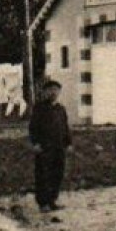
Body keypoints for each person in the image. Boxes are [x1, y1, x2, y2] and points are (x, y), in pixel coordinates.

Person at [28, 78, 72, 212]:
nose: (53, 93)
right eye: (50, 90)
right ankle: (43, 203)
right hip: (44, 148)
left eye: (56, 90)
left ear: (59, 92)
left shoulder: (61, 109)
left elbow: (65, 128)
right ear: (45, 92)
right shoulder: (40, 108)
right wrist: (35, 143)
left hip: (59, 147)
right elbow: (33, 127)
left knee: (57, 174)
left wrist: (68, 143)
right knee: (43, 174)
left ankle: (52, 200)